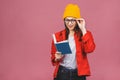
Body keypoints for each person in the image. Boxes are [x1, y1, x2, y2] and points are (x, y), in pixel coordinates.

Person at [50, 3, 96, 80]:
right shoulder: (58, 36)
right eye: (67, 20)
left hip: (78, 74)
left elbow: (90, 49)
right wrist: (56, 58)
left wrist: (83, 29)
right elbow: (53, 60)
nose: (70, 23)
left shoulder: (85, 34)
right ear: (64, 20)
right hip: (62, 73)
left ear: (77, 21)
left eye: (73, 20)